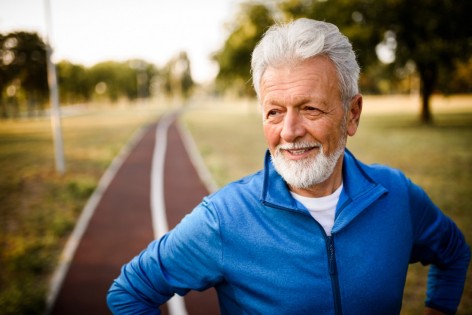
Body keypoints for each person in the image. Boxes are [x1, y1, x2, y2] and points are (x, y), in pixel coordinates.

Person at [107, 18, 470, 315]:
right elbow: (130, 292)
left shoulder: (397, 196)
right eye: (274, 112)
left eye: (310, 108)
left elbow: (453, 251)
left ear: (352, 115)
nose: (289, 132)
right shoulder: (225, 218)